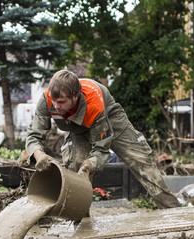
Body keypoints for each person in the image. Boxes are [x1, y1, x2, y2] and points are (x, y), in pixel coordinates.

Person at [25, 69, 181, 209]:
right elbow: (34, 135)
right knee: (75, 167)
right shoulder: (48, 99)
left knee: (141, 160)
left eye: (61, 102)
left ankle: (172, 211)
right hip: (76, 128)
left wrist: (90, 165)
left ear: (75, 96)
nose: (56, 106)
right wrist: (39, 155)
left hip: (111, 119)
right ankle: (79, 220)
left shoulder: (94, 104)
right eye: (54, 101)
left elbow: (101, 148)